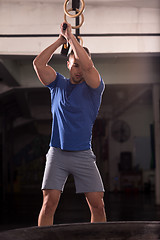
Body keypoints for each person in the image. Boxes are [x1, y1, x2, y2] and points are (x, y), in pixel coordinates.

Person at [33, 22, 106, 226]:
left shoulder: (94, 88)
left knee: (98, 205)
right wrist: (61, 40)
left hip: (83, 153)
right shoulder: (57, 84)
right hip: (57, 153)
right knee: (49, 203)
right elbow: (38, 64)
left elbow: (88, 66)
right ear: (67, 64)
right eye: (75, 65)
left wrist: (72, 39)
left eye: (82, 66)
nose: (79, 71)